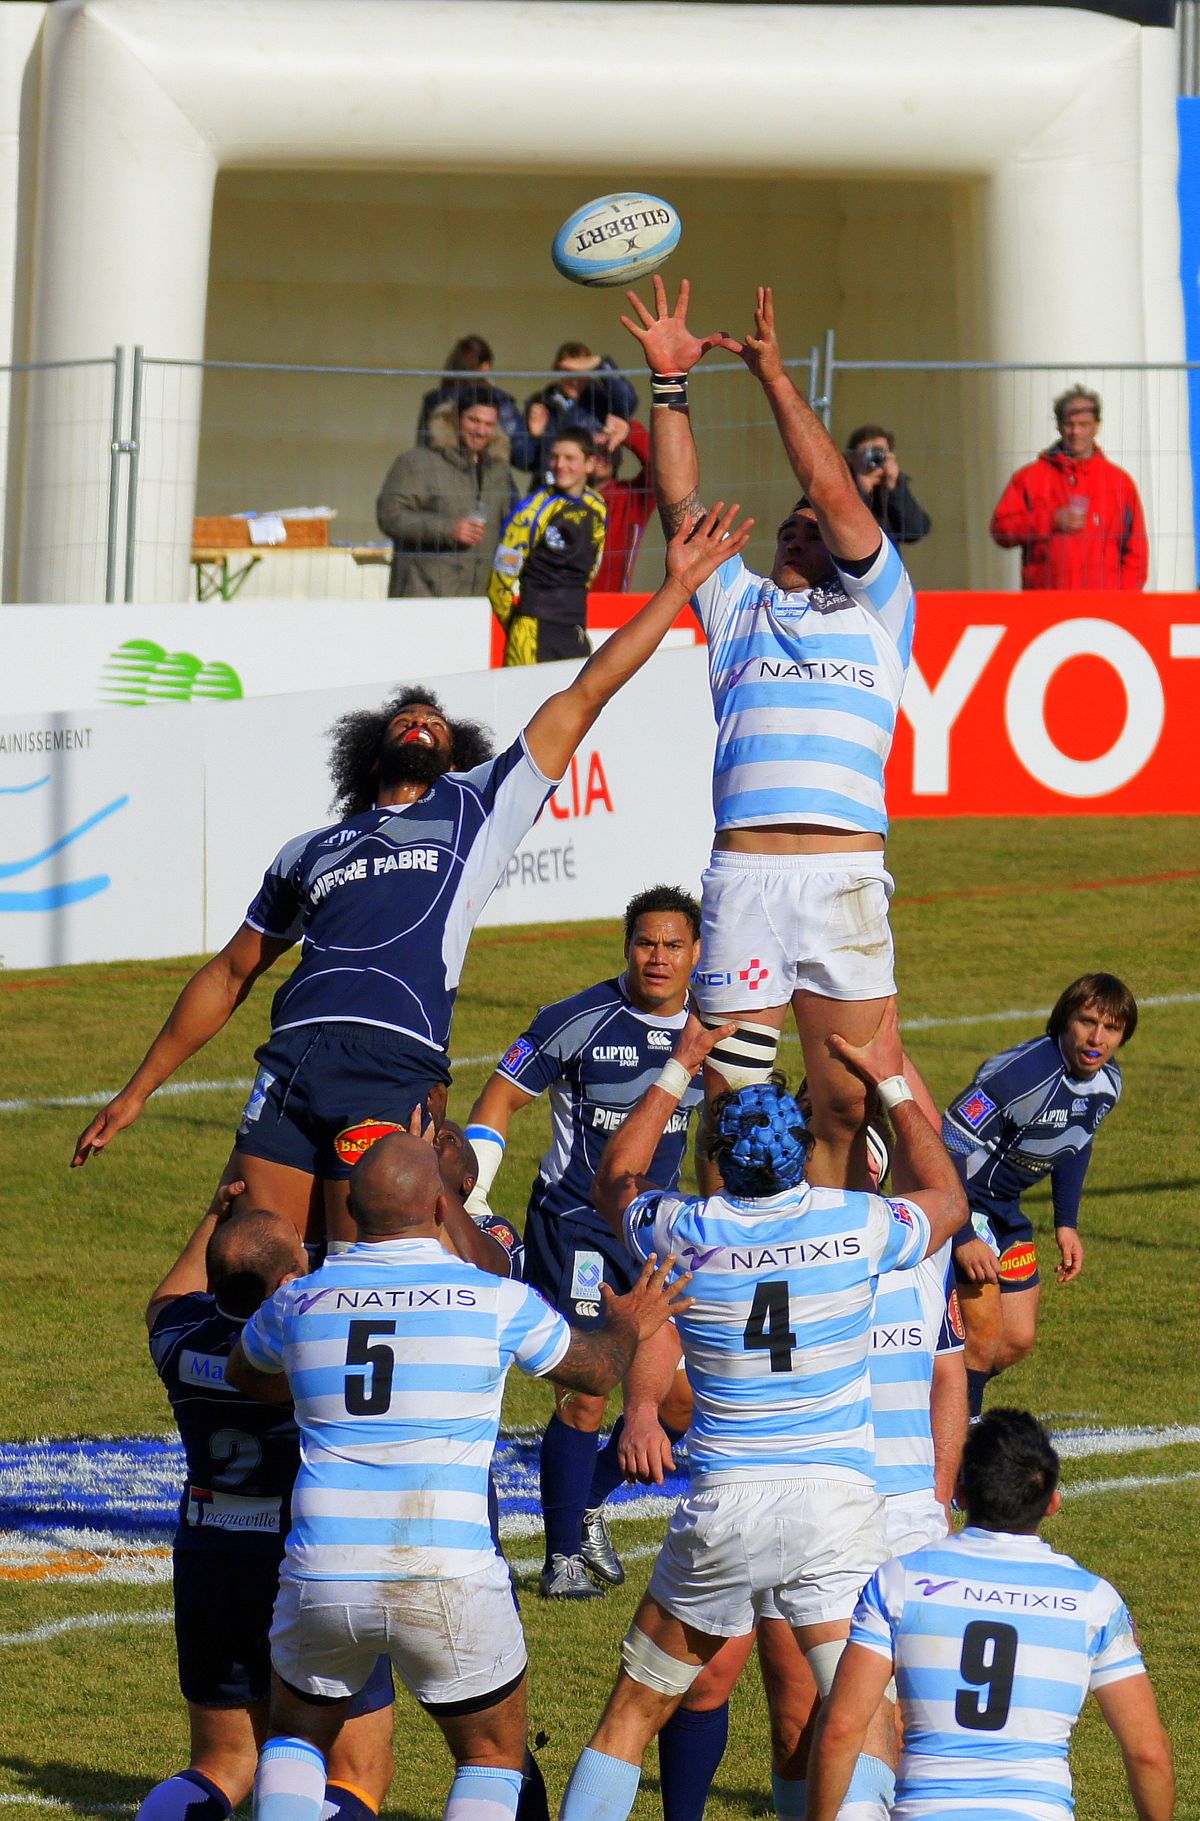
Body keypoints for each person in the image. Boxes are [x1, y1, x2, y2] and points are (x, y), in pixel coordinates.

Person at [71, 504, 755, 1245]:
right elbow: (230, 973)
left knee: (355, 1270)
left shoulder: (480, 805)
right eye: (406, 716)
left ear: (454, 751)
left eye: (436, 719)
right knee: (256, 1266)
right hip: (292, 1058)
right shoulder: (310, 849)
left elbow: (587, 690)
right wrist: (138, 1089)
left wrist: (677, 587)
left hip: (391, 1060)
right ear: (370, 752)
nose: (422, 719)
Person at [556, 1000, 969, 1821]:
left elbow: (616, 1178)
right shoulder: (857, 1225)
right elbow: (946, 1195)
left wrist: (682, 1060)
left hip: (726, 1507)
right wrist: (888, 1077)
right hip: (836, 1510)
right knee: (863, 1722)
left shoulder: (686, 1231)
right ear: (804, 1151)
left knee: (632, 1716)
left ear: (716, 1157)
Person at [222, 1128, 693, 1821]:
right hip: (446, 1566)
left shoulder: (301, 1302)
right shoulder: (492, 1299)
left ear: (350, 1202)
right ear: (442, 1206)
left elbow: (243, 1371)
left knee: (296, 1737)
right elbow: (593, 1371)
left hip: (324, 1566)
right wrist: (630, 1324)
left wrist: (317, 1396)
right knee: (491, 1755)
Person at [622, 278, 916, 1191]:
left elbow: (828, 483)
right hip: (746, 879)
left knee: (845, 1103)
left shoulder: (882, 608)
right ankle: (726, 1271)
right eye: (787, 529)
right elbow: (681, 508)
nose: (801, 531)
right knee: (728, 1104)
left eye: (815, 528)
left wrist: (775, 380)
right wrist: (670, 384)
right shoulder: (736, 603)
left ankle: (827, 1262)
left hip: (843, 881)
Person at [464, 885, 703, 1600]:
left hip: (657, 1232)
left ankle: (590, 1499)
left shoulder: (716, 1030)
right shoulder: (576, 1019)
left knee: (686, 1404)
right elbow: (500, 1097)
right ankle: (562, 1555)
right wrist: (475, 1190)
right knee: (591, 1387)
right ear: (626, 945)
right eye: (645, 943)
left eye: (673, 945)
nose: (657, 957)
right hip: (574, 1227)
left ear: (696, 954)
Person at [139, 1188, 395, 1821]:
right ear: (286, 1281)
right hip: (305, 1557)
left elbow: (164, 1300)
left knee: (222, 1764)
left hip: (210, 1555)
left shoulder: (177, 1337)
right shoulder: (315, 1352)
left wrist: (213, 1216)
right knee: (356, 1771)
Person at [806, 1408, 1175, 1821]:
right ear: (1052, 1502)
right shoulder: (1094, 1601)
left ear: (960, 1495)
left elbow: (840, 1731)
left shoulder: (899, 1581)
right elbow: (1147, 1754)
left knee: (860, 1780)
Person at [944, 971, 1136, 1419]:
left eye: (1111, 1028)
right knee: (982, 1340)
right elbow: (948, 1139)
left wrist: (1066, 1223)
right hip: (963, 1206)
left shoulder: (1108, 1084)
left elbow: (1077, 1139)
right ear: (1063, 1020)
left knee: (1015, 1341)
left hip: (1005, 1215)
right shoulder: (1021, 1075)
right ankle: (962, 1455)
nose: (1097, 1038)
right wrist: (958, 1233)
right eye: (1087, 1021)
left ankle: (937, 1395)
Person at [990, 385, 1149, 590]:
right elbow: (1001, 530)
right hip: (1046, 603)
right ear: (1058, 426)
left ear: (1096, 426)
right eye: (1069, 424)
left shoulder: (1119, 482)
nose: (1076, 431)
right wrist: (1049, 520)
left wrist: (1123, 599)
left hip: (1104, 605)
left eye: (1084, 424)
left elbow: (1136, 551)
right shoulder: (1029, 478)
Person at [376, 381, 516, 597]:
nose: (481, 431)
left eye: (489, 424)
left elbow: (512, 527)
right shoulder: (417, 463)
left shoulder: (498, 472)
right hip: (422, 597)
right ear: (455, 418)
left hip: (476, 600)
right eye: (473, 420)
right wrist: (448, 529)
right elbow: (390, 516)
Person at [488, 429, 606, 665]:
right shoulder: (531, 511)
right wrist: (517, 626)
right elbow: (499, 583)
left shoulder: (598, 506)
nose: (560, 465)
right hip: (532, 629)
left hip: (574, 628)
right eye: (555, 457)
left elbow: (593, 566)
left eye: (569, 458)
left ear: (590, 463)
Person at [521, 340, 639, 481]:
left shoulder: (602, 400)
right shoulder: (541, 403)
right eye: (568, 373)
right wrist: (536, 436)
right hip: (550, 487)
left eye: (580, 372)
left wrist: (602, 364)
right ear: (557, 372)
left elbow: (629, 402)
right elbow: (524, 461)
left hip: (595, 485)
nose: (574, 380)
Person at [414, 335, 530, 461]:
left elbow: (423, 446)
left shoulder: (434, 399)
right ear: (485, 367)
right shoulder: (499, 401)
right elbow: (523, 454)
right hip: (488, 473)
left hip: (440, 472)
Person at [590, 419, 655, 592]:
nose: (601, 456)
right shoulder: (561, 500)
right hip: (561, 608)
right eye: (593, 450)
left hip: (613, 606)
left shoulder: (630, 498)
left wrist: (629, 433)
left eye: (609, 449)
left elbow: (661, 467)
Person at [844, 425, 931, 546]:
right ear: (851, 457)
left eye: (880, 452)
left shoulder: (890, 487)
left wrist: (895, 487)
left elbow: (915, 531)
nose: (874, 458)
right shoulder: (841, 486)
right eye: (868, 452)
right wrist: (862, 491)